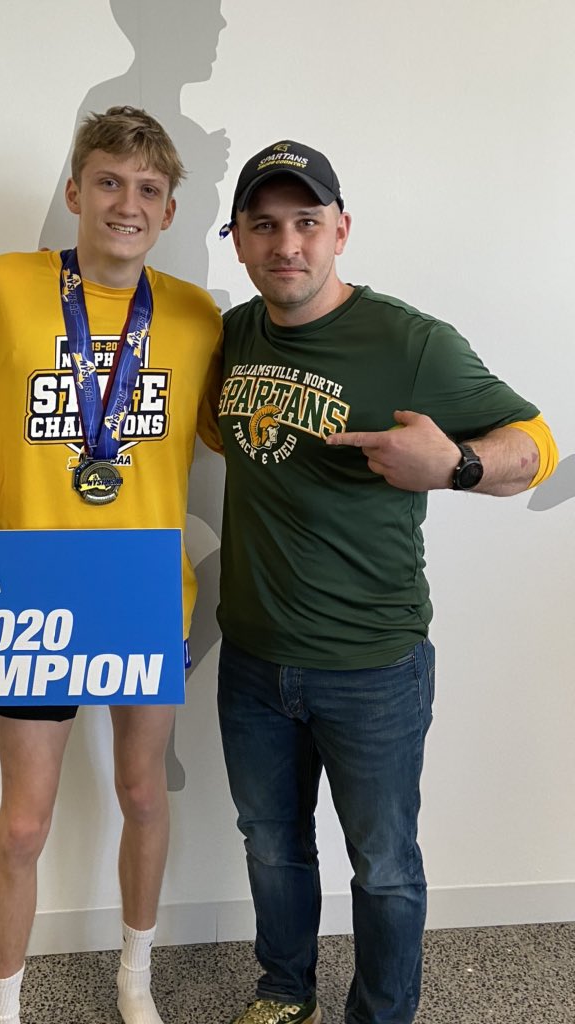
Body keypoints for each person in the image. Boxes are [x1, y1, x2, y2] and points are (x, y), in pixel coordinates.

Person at [215, 140, 557, 1024]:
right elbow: (225, 434)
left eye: (305, 223)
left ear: (340, 231)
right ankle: (284, 992)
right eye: (264, 226)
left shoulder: (411, 343)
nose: (286, 244)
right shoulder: (234, 332)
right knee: (271, 844)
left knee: (385, 862)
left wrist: (457, 468)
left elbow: (539, 443)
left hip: (370, 665)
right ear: (240, 242)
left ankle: (382, 1016)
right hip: (251, 656)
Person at [0, 107, 221, 1024]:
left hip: (148, 592)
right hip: (37, 591)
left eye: (149, 190)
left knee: (141, 796)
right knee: (26, 820)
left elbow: (221, 434)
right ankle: (2, 1005)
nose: (128, 203)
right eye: (110, 183)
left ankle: (135, 978)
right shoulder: (2, 287)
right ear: (76, 191)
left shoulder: (200, 316)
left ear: (169, 213)